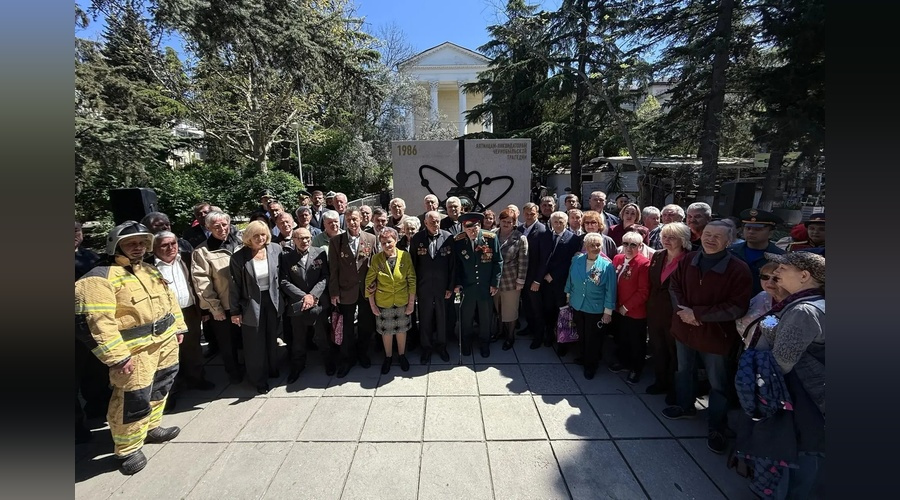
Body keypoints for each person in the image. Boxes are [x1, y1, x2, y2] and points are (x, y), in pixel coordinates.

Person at [75, 221, 186, 474]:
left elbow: (170, 301)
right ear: (116, 245)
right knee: (131, 400)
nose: (137, 248)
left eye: (141, 243)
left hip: (165, 343)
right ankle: (128, 448)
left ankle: (151, 427)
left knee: (160, 389)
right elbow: (97, 323)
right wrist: (117, 358)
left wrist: (178, 327)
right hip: (134, 353)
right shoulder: (98, 278)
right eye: (131, 243)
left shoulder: (149, 270)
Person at [662, 220, 752, 455]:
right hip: (684, 328)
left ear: (729, 241)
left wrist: (699, 315)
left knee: (718, 382)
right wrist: (685, 313)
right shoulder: (689, 260)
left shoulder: (738, 269)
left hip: (714, 335)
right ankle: (685, 405)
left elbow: (737, 306)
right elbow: (675, 287)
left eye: (717, 236)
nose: (710, 239)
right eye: (707, 234)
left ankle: (716, 427)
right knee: (684, 370)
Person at [745, 251, 825, 499]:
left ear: (804, 276)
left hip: (800, 400)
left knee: (798, 461)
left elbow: (781, 362)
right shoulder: (806, 303)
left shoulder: (803, 311)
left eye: (784, 268)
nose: (776, 272)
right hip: (804, 398)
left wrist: (768, 322)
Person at [152, 231, 214, 396]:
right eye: (165, 245)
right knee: (168, 353)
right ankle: (171, 390)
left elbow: (197, 284)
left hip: (189, 310)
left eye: (173, 243)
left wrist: (203, 309)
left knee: (193, 347)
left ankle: (196, 379)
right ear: (155, 247)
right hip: (164, 316)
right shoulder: (149, 267)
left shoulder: (186, 258)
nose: (171, 248)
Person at [229, 221, 283, 394]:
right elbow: (235, 285)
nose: (261, 238)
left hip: (273, 300)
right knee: (254, 343)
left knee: (271, 337)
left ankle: (273, 369)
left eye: (263, 234)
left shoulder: (275, 249)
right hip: (251, 303)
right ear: (248, 238)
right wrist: (235, 311)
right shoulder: (238, 257)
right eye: (256, 235)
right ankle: (258, 379)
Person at [191, 211, 244, 384]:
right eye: (216, 226)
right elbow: (203, 284)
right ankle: (234, 374)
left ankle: (250, 368)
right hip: (224, 306)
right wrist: (215, 308)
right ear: (208, 228)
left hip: (245, 302)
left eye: (224, 224)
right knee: (227, 345)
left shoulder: (241, 243)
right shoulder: (202, 252)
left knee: (246, 340)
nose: (222, 228)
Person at [645, 222, 692, 404]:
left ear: (683, 240)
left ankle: (674, 388)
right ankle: (660, 381)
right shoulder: (658, 256)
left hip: (676, 313)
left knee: (675, 353)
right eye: (665, 236)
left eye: (672, 237)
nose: (667, 241)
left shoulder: (689, 259)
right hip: (656, 311)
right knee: (658, 348)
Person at [329, 207, 378, 378]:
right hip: (345, 291)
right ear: (345, 221)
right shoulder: (336, 241)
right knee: (347, 327)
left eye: (355, 219)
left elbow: (376, 264)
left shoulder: (371, 238)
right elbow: (333, 269)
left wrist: (376, 285)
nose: (352, 222)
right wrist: (334, 292)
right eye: (349, 220)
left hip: (366, 291)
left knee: (366, 325)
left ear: (361, 220)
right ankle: (346, 359)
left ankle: (362, 353)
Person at [280, 227, 334, 380]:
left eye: (307, 238)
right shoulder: (286, 257)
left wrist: (313, 295)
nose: (304, 241)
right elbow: (284, 281)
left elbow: (325, 276)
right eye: (300, 238)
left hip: (318, 303)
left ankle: (329, 362)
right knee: (298, 339)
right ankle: (297, 366)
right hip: (298, 304)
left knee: (322, 336)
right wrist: (304, 297)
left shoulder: (320, 253)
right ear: (294, 240)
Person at [75, 221, 110, 444]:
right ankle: (75, 427)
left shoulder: (91, 257)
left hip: (91, 325)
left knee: (96, 370)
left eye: (76, 231)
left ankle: (98, 406)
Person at [564, 233, 616, 379]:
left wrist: (608, 312)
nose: (595, 248)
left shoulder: (607, 266)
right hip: (577, 304)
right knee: (581, 334)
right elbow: (570, 278)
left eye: (598, 245)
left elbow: (610, 290)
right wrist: (568, 296)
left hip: (596, 308)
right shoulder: (577, 260)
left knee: (593, 338)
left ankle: (591, 365)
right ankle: (583, 357)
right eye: (592, 245)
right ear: (586, 246)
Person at [366, 227, 417, 373]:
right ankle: (388, 357)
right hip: (384, 301)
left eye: (389, 241)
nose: (387, 245)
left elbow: (411, 280)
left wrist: (411, 303)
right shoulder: (377, 258)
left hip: (402, 301)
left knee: (401, 330)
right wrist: (372, 305)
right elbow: (369, 283)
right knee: (386, 332)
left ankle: (401, 355)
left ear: (395, 241)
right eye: (383, 243)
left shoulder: (405, 256)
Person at [452, 212, 503, 358]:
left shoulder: (490, 239)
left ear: (479, 226)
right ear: (463, 228)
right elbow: (456, 265)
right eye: (469, 229)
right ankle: (466, 343)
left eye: (475, 229)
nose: (472, 232)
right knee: (465, 317)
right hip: (467, 287)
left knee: (485, 317)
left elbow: (498, 261)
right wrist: (457, 283)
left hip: (485, 286)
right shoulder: (458, 241)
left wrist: (495, 283)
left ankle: (484, 344)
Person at [529, 211, 582, 352]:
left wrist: (554, 275)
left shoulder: (574, 239)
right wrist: (544, 275)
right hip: (545, 282)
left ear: (566, 222)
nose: (558, 224)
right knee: (547, 310)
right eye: (555, 222)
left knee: (562, 312)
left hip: (561, 283)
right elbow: (541, 258)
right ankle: (547, 336)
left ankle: (562, 343)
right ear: (551, 223)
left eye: (561, 222)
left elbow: (570, 262)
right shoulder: (545, 236)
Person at [409, 211, 455, 364]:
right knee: (425, 318)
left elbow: (452, 265)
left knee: (442, 318)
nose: (436, 225)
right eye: (432, 222)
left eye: (438, 222)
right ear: (425, 223)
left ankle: (442, 346)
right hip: (424, 288)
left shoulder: (448, 237)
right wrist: (413, 290)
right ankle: (426, 347)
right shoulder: (417, 238)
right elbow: (412, 266)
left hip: (443, 287)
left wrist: (450, 287)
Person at [609, 231, 651, 384]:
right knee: (621, 338)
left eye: (633, 245)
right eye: (626, 244)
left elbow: (643, 292)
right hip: (617, 309)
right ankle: (623, 362)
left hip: (634, 312)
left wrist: (626, 307)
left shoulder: (643, 263)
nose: (628, 247)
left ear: (640, 246)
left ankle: (636, 369)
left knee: (636, 342)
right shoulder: (618, 258)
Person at [493, 209, 528, 350]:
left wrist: (521, 280)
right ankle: (500, 332)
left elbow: (524, 261)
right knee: (498, 309)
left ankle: (510, 336)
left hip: (511, 281)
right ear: (499, 221)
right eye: (504, 221)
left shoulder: (520, 238)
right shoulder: (492, 234)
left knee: (510, 311)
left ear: (514, 223)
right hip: (494, 282)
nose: (506, 224)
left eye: (510, 222)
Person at [729, 208, 785, 294]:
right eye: (748, 228)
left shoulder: (781, 256)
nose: (751, 232)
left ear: (771, 233)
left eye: (757, 229)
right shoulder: (730, 251)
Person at [735, 261, 790, 346]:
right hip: (751, 352)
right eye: (765, 277)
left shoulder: (796, 305)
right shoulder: (761, 296)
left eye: (776, 278)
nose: (770, 282)